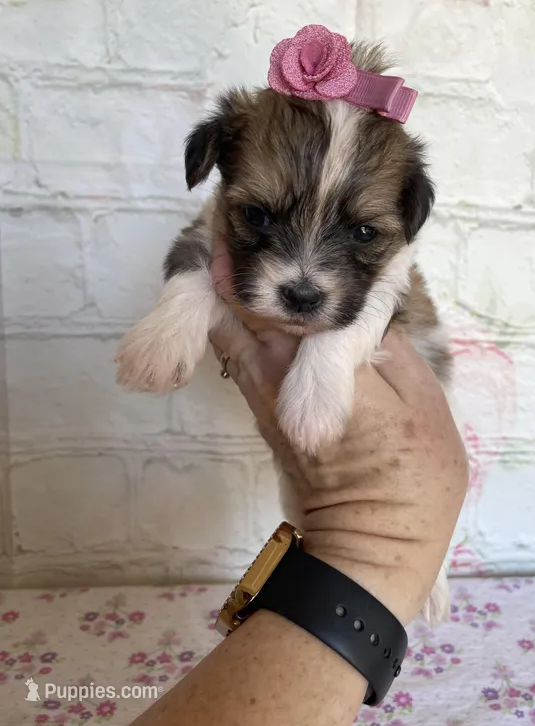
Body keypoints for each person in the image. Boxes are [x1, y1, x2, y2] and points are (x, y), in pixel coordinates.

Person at [130, 246, 469, 726]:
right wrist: (182, 310)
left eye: (362, 231)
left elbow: (387, 295)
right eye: (261, 218)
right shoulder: (220, 235)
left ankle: (428, 561)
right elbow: (194, 252)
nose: (305, 271)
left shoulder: (390, 266)